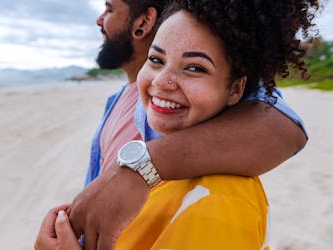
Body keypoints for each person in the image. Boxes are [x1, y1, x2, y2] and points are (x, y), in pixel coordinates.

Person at [35, 0, 319, 249]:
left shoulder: (216, 202)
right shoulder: (124, 101)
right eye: (156, 60)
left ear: (235, 90)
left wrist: (138, 167)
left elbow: (281, 126)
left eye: (195, 68)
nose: (161, 82)